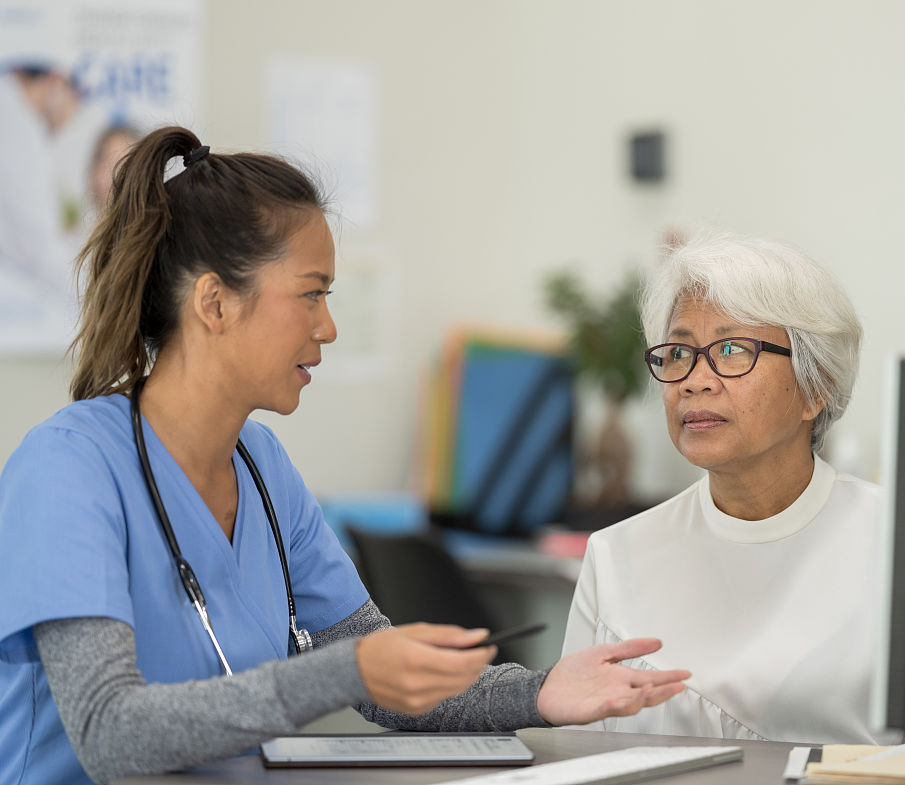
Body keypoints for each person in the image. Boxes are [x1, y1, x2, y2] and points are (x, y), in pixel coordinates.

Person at [0, 126, 690, 785]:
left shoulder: (263, 470)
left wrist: (543, 691)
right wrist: (347, 669)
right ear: (214, 302)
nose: (327, 327)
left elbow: (379, 681)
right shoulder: (68, 469)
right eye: (311, 294)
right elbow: (107, 728)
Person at [561, 232, 905, 745]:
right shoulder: (615, 556)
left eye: (731, 349)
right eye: (678, 353)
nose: (695, 380)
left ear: (816, 386)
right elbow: (579, 754)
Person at [0, 62, 82, 350]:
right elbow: (40, 249)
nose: (68, 119)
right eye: (73, 106)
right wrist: (104, 295)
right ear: (56, 83)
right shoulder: (18, 125)